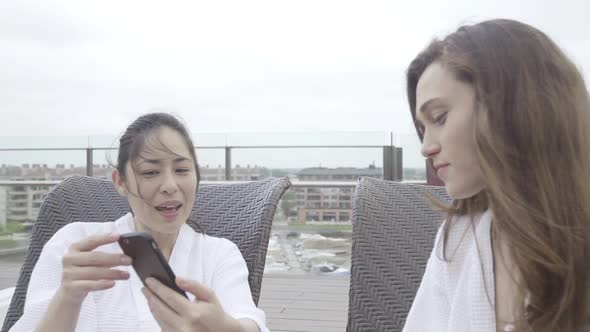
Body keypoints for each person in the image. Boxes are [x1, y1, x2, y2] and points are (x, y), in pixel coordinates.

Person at [403, 19, 590, 332]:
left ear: (513, 106)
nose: (426, 147)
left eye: (439, 117)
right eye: (423, 128)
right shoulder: (458, 238)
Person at [10, 113, 268, 332]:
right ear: (120, 181)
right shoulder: (74, 244)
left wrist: (224, 327)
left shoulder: (218, 254)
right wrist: (68, 297)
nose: (170, 186)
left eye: (182, 170)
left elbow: (247, 320)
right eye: (150, 172)